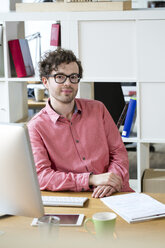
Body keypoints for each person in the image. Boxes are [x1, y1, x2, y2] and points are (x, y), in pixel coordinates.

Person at [28, 48, 133, 198]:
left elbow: (118, 152)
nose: (68, 83)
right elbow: (42, 176)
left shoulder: (98, 109)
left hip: (114, 193)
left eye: (73, 77)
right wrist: (91, 179)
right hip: (74, 198)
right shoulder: (35, 127)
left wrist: (111, 180)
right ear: (45, 82)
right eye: (59, 77)